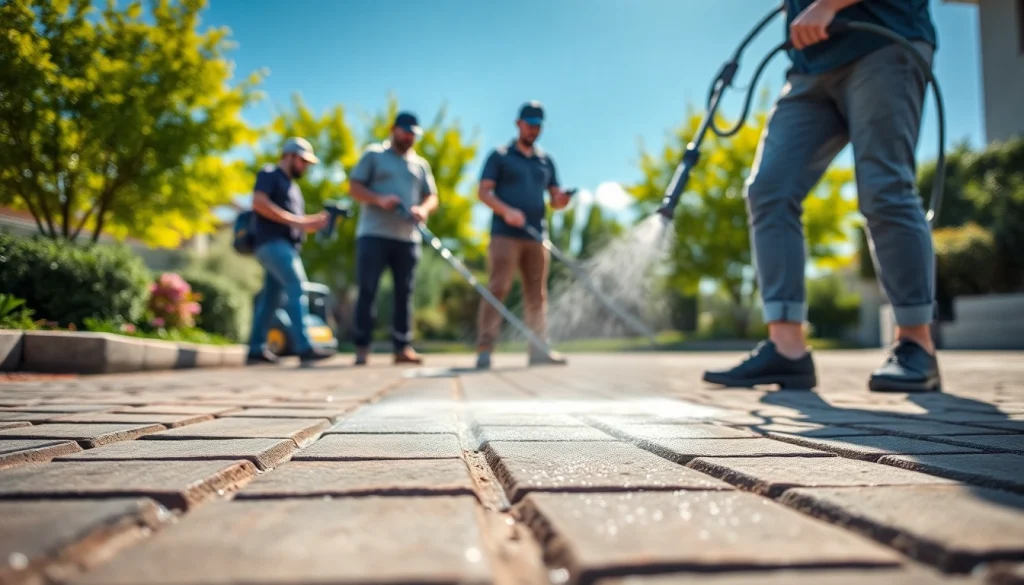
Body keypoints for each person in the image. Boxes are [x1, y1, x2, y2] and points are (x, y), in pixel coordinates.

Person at [702, 0, 941, 392]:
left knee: (885, 189)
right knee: (769, 189)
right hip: (809, 67)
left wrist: (829, 3)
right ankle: (787, 349)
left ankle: (917, 343)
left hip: (883, 40)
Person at [475, 101, 572, 369]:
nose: (533, 130)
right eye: (529, 124)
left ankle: (539, 350)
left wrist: (561, 200)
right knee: (498, 287)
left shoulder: (545, 161)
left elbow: (554, 199)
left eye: (538, 126)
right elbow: (483, 192)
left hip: (536, 236)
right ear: (518, 124)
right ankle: (485, 347)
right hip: (505, 235)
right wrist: (506, 211)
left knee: (536, 294)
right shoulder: (500, 156)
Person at [348, 112, 438, 366]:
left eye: (413, 133)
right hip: (373, 233)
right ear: (393, 129)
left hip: (407, 238)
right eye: (405, 131)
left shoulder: (420, 165)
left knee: (404, 293)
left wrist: (423, 209)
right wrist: (379, 199)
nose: (409, 137)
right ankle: (362, 346)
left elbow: (432, 197)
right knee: (367, 289)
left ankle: (402, 347)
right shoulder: (374, 155)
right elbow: (354, 187)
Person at [246, 137, 335, 365]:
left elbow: (295, 222)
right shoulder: (269, 174)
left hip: (285, 246)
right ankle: (304, 346)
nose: (305, 166)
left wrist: (311, 224)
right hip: (273, 244)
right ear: (291, 155)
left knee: (272, 299)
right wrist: (300, 222)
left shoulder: (293, 188)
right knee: (297, 287)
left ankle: (256, 349)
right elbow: (258, 202)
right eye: (303, 161)